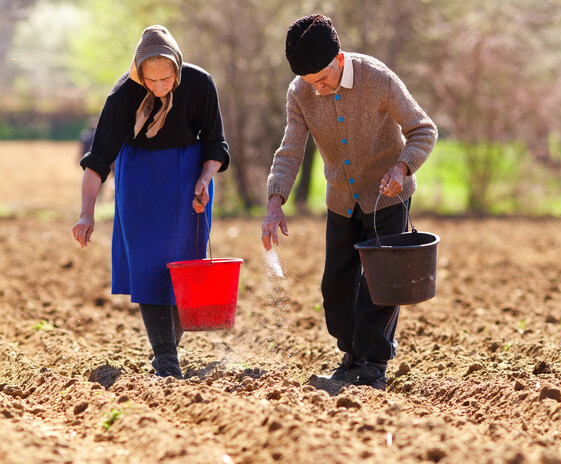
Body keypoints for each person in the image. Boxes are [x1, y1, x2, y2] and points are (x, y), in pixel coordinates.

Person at [261, 14, 437, 390]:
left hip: (388, 197)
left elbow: (423, 129)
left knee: (381, 286)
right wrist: (275, 201)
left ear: (339, 59)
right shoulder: (300, 92)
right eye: (311, 84)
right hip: (341, 198)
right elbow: (290, 150)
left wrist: (402, 168)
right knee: (336, 291)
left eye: (323, 80)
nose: (319, 90)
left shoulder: (378, 78)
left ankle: (372, 364)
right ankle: (352, 355)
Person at [72, 25, 230, 379]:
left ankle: (166, 351)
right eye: (151, 80)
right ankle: (167, 357)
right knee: (150, 266)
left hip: (189, 179)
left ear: (177, 66)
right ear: (138, 72)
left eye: (166, 78)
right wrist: (86, 214)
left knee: (183, 267)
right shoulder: (123, 96)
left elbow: (216, 143)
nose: (159, 87)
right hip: (140, 181)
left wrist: (205, 179)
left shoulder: (201, 84)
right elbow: (97, 161)